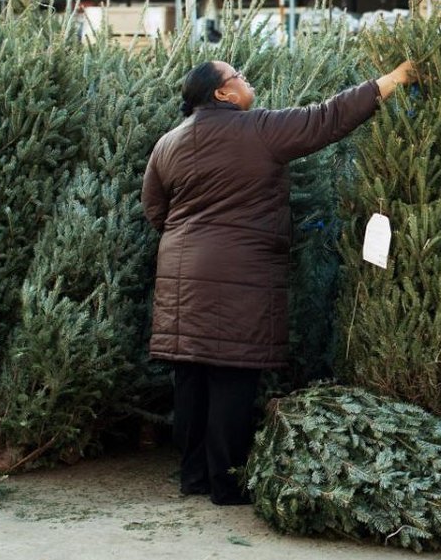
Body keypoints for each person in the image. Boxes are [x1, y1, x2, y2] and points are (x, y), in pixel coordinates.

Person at [141, 59, 416, 505]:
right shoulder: (259, 130)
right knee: (232, 377)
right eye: (238, 77)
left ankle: (193, 478)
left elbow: (155, 209)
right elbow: (327, 118)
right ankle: (226, 487)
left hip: (181, 276)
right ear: (222, 95)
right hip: (239, 276)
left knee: (190, 377)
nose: (246, 80)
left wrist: (187, 241)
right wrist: (393, 79)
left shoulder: (167, 144)